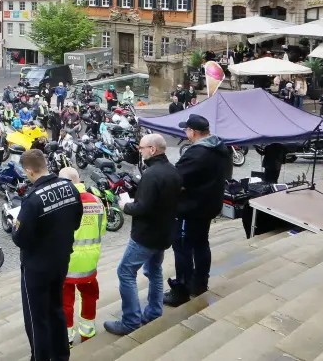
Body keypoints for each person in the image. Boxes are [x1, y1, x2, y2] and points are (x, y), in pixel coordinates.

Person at [105, 134, 181, 336]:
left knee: (125, 272)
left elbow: (142, 207)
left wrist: (124, 205)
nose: (140, 150)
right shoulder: (173, 171)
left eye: (141, 148)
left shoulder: (152, 174)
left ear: (153, 149)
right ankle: (154, 312)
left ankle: (130, 321)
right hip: (164, 233)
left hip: (146, 235)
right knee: (154, 271)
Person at [11, 149, 83, 361]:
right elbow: (76, 220)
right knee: (56, 308)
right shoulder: (69, 187)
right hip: (61, 260)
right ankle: (61, 355)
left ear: (29, 171)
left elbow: (20, 238)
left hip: (36, 267)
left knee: (36, 318)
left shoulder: (32, 199)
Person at [164, 115, 231, 307]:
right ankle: (200, 283)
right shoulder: (220, 147)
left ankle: (181, 291)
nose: (186, 133)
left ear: (192, 132)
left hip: (191, 209)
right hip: (209, 206)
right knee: (201, 244)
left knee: (183, 248)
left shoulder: (197, 153)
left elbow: (177, 179)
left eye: (187, 130)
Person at [58, 167, 106, 344]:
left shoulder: (63, 203)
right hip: (90, 262)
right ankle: (87, 332)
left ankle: (66, 339)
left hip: (67, 263)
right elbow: (101, 229)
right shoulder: (97, 201)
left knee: (65, 303)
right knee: (90, 297)